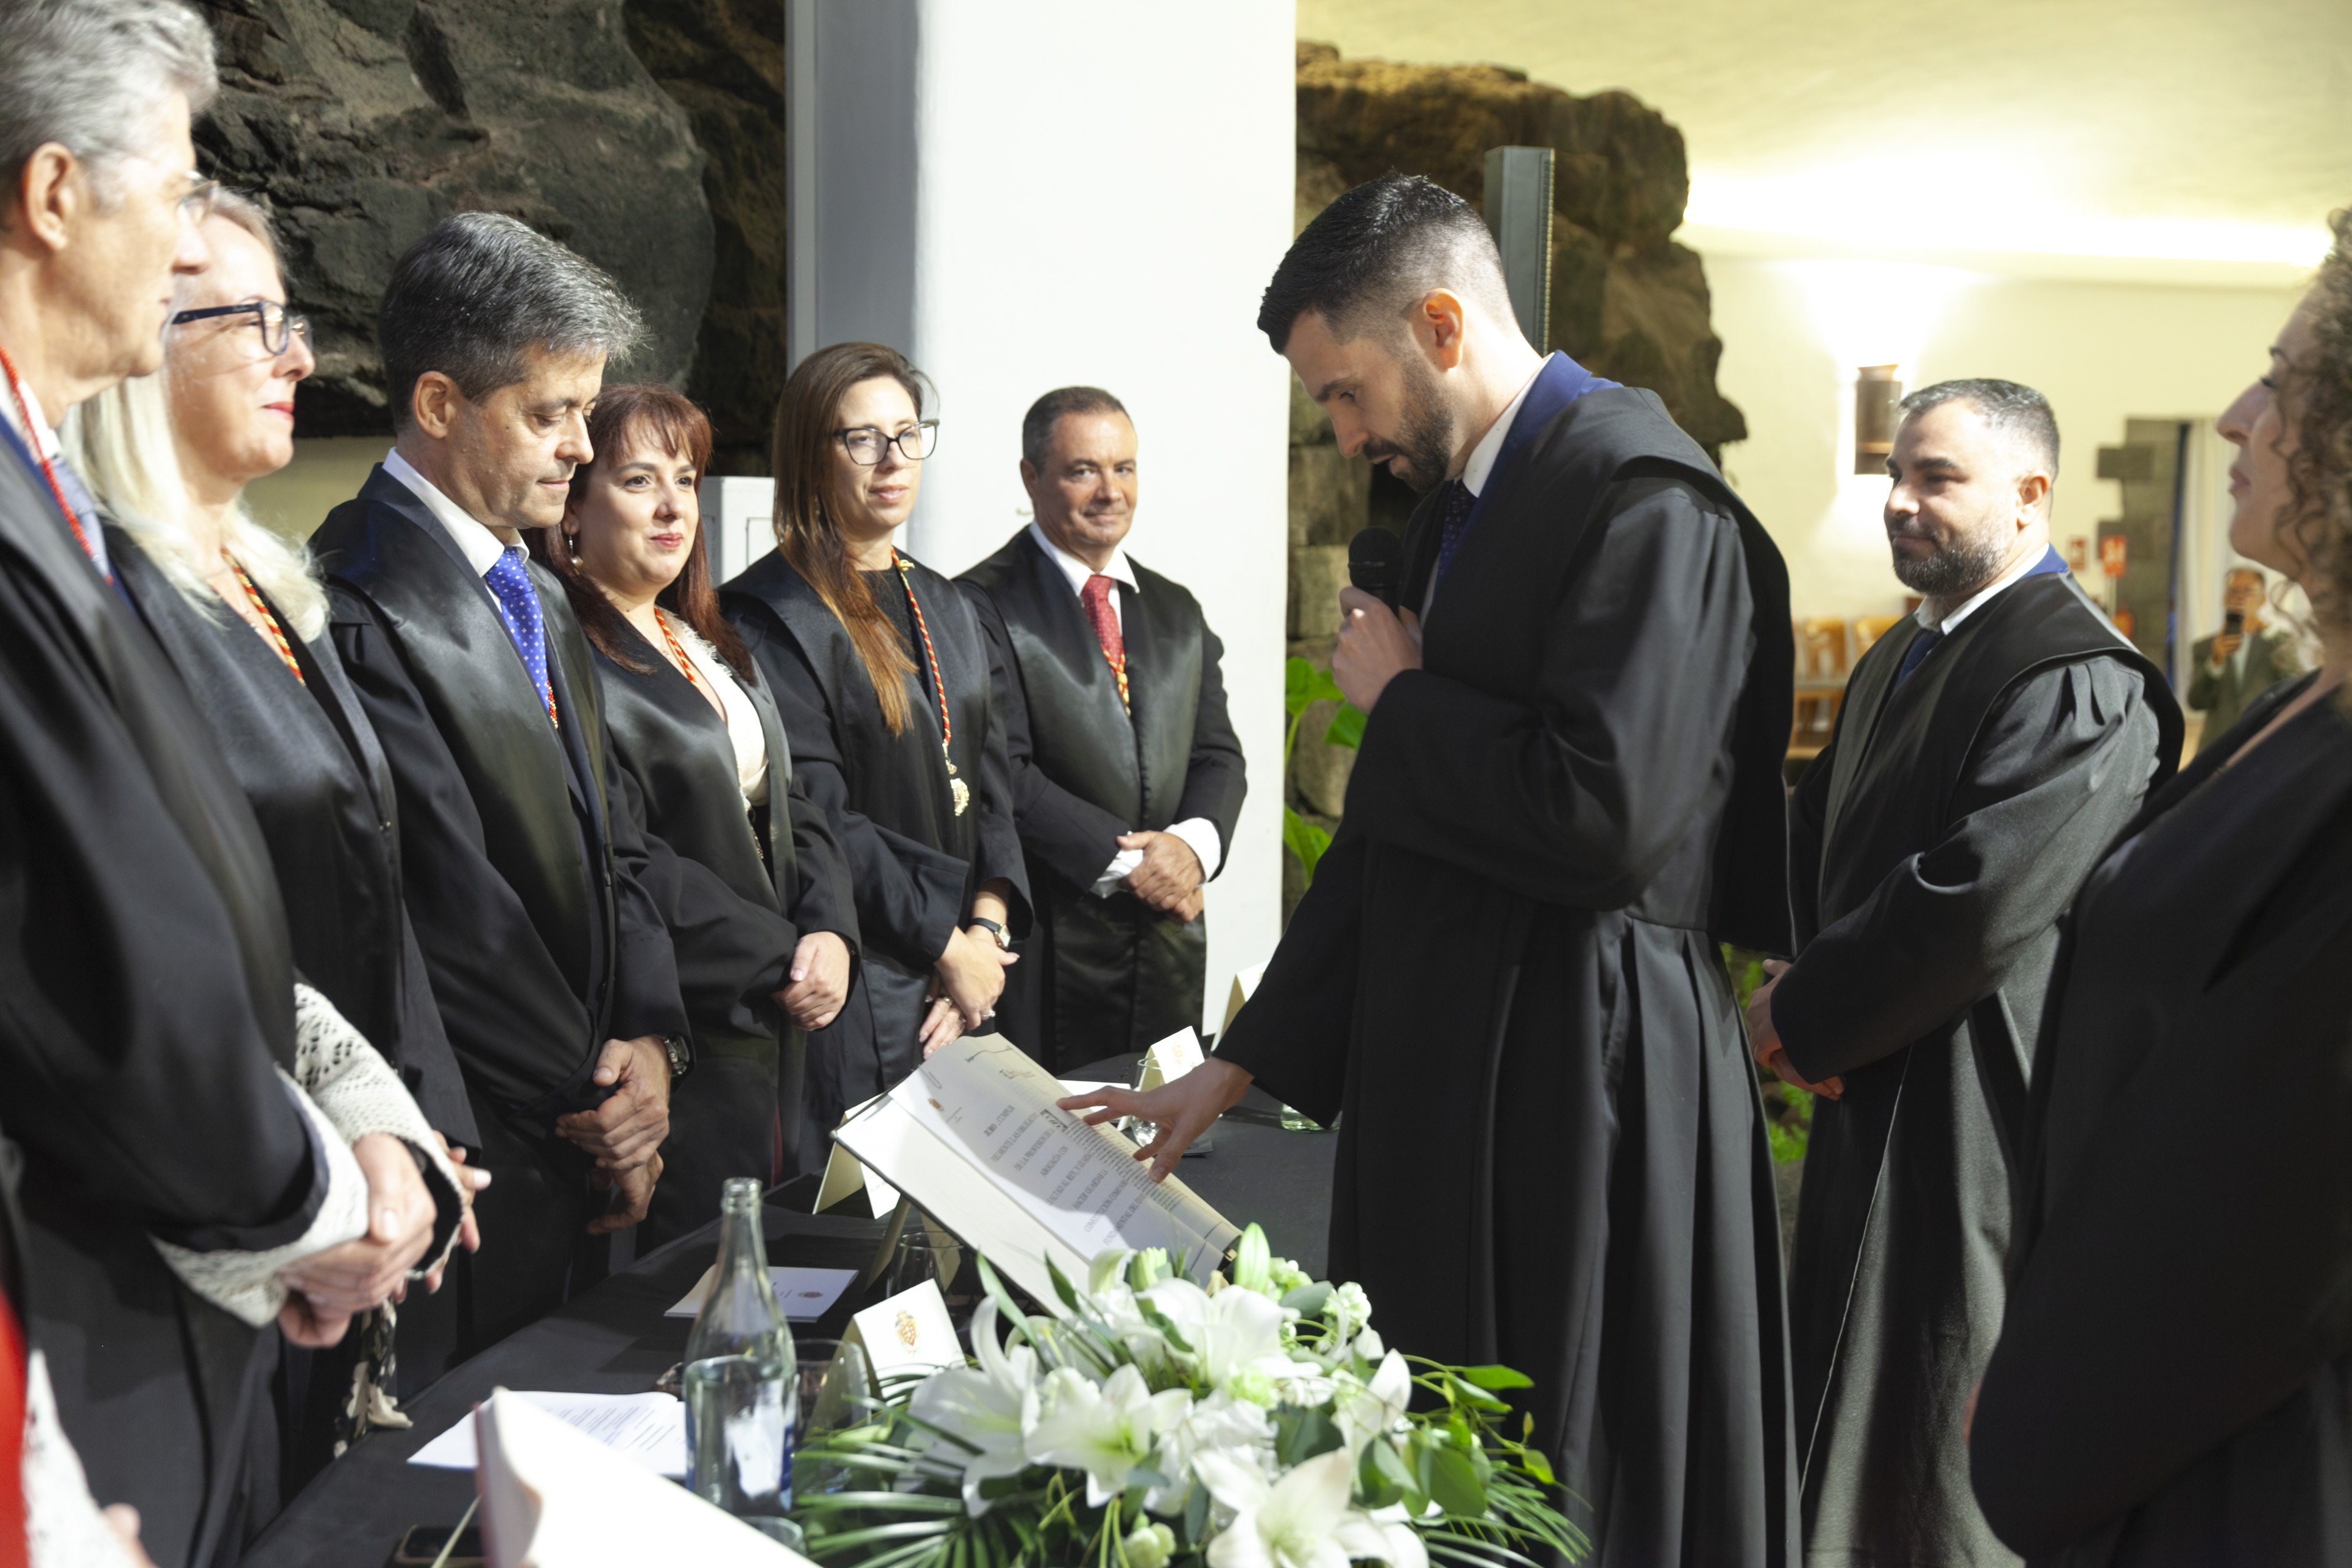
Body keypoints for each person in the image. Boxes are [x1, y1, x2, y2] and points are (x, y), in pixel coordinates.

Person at [1066, 174, 1799, 1563]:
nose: (1344, 435)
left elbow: (1614, 818)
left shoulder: (1643, 498)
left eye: (1345, 392)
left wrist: (1403, 703)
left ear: (1443, 323)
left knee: (1575, 1462)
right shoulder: (1468, 508)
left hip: (1591, 1072)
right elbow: (1397, 832)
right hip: (1471, 1055)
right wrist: (1237, 1061)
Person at [0, 3, 447, 1559]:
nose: (189, 232)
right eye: (180, 186)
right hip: (92, 1288)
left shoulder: (43, 493)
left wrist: (373, 1125)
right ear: (58, 198)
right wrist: (328, 1203)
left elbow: (213, 902)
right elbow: (78, 957)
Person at [63, 188, 484, 1490]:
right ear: (146, 340)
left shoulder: (268, 577)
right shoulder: (110, 598)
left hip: (372, 1172)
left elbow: (373, 886)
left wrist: (413, 1127)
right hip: (236, 1219)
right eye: (258, 323)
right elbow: (161, 948)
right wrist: (340, 1159)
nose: (301, 356)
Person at [1741, 381, 2177, 1565]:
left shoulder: (2077, 679)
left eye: (1936, 478)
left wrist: (1801, 1015)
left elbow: (1975, 905)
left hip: (1974, 1113)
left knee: (1934, 1445)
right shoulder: (1904, 655)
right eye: (1896, 475)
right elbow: (1814, 829)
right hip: (1865, 1087)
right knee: (1839, 1427)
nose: (1900, 503)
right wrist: (1791, 963)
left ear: (2031, 496)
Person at [1971, 211, 2352, 1564]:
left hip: (2245, 1475)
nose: (2240, 417)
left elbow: (2270, 1213)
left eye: (2286, 380)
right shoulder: (2304, 706)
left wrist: (2044, 1416)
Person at [312, 213, 691, 1360]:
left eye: (584, 410)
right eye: (549, 413)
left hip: (600, 1104)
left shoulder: (526, 579)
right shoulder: (356, 594)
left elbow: (619, 832)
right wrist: (601, 1112)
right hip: (492, 1132)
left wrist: (656, 1043)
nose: (581, 445)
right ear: (438, 404)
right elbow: (448, 905)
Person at [529, 384, 857, 1242]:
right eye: (639, 481)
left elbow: (793, 802)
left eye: (687, 477)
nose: (674, 504)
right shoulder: (572, 656)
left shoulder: (699, 634)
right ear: (572, 508)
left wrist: (831, 928)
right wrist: (784, 954)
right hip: (690, 1030)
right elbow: (627, 855)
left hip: (785, 1019)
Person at [722, 343, 1029, 1162]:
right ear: (808, 457)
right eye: (861, 439)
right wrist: (946, 946)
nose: (891, 459)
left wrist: (987, 934)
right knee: (865, 1237)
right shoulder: (769, 616)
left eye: (906, 433)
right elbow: (819, 812)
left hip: (963, 979)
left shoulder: (953, 602)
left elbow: (992, 787)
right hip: (864, 980)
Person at [958, 387, 1246, 1069]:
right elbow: (1002, 772)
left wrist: (1191, 851)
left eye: (1125, 468)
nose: (1109, 491)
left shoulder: (1177, 611)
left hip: (1168, 941)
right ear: (1031, 478)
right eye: (1083, 470)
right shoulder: (978, 605)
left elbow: (1217, 757)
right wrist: (1141, 865)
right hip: (1050, 944)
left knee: (1159, 1147)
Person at [2188, 563, 2300, 736]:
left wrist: (2270, 634)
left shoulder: (2281, 642)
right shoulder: (2205, 647)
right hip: (2217, 746)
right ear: (2224, 599)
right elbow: (2196, 702)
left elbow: (2297, 689)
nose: (2239, 598)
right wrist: (2215, 663)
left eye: (2248, 592)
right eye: (2233, 592)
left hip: (2264, 742)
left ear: (2263, 599)